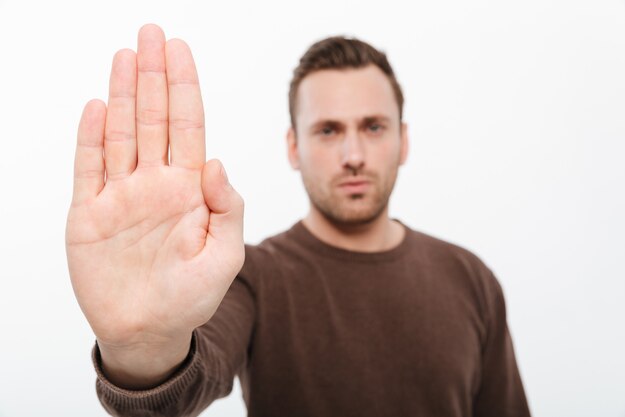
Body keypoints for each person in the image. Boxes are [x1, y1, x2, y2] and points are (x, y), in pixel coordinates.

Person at [66, 24, 531, 417]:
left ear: (403, 140)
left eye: (373, 127)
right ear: (293, 147)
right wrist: (142, 349)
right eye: (328, 130)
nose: (353, 156)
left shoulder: (470, 279)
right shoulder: (255, 275)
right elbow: (188, 384)